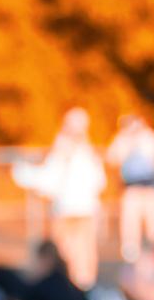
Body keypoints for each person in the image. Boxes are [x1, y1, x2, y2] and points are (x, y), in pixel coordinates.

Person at [11, 108, 105, 288]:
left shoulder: (78, 151)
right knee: (75, 254)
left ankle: (80, 289)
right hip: (73, 210)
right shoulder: (78, 151)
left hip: (74, 211)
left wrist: (23, 173)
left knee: (77, 254)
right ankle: (78, 288)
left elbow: (49, 181)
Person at [105, 114, 154, 264]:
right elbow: (112, 158)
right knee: (130, 223)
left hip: (150, 187)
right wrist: (125, 139)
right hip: (131, 188)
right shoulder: (122, 140)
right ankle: (131, 253)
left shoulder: (149, 138)